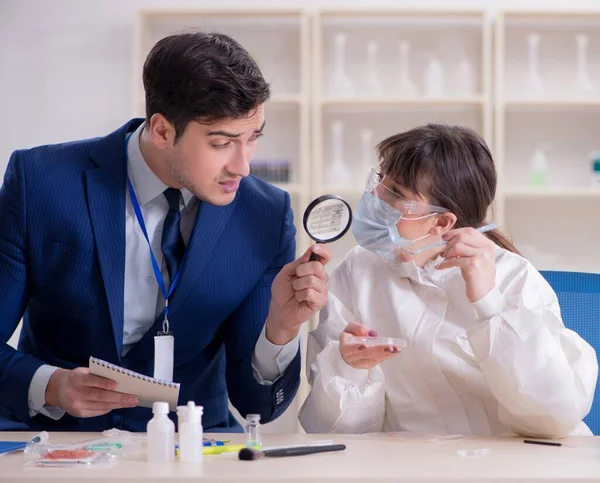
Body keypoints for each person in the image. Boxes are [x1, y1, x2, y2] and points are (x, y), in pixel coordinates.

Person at [0, 31, 331, 432]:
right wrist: (49, 386)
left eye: (252, 138)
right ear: (161, 131)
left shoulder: (265, 213)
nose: (243, 166)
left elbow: (256, 403)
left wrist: (281, 326)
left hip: (193, 449)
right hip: (55, 443)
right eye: (223, 143)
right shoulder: (41, 181)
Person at [299, 123, 597, 438]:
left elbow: (554, 418)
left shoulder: (512, 276)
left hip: (511, 464)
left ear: (442, 222)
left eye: (396, 192)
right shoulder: (358, 271)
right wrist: (350, 368)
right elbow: (334, 432)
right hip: (415, 465)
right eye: (380, 179)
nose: (375, 195)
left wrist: (488, 304)